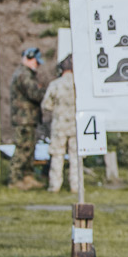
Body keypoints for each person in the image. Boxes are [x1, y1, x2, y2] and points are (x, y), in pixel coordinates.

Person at [8, 45, 48, 189]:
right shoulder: (24, 74)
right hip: (24, 119)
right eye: (36, 61)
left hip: (27, 118)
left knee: (29, 149)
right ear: (29, 58)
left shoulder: (25, 74)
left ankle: (27, 177)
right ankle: (15, 179)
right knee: (23, 149)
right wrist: (47, 92)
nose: (37, 65)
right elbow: (34, 94)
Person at [41, 56, 80, 194]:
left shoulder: (55, 84)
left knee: (57, 155)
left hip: (59, 126)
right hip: (76, 125)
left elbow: (46, 105)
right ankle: (76, 186)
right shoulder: (79, 84)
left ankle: (54, 186)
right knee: (76, 156)